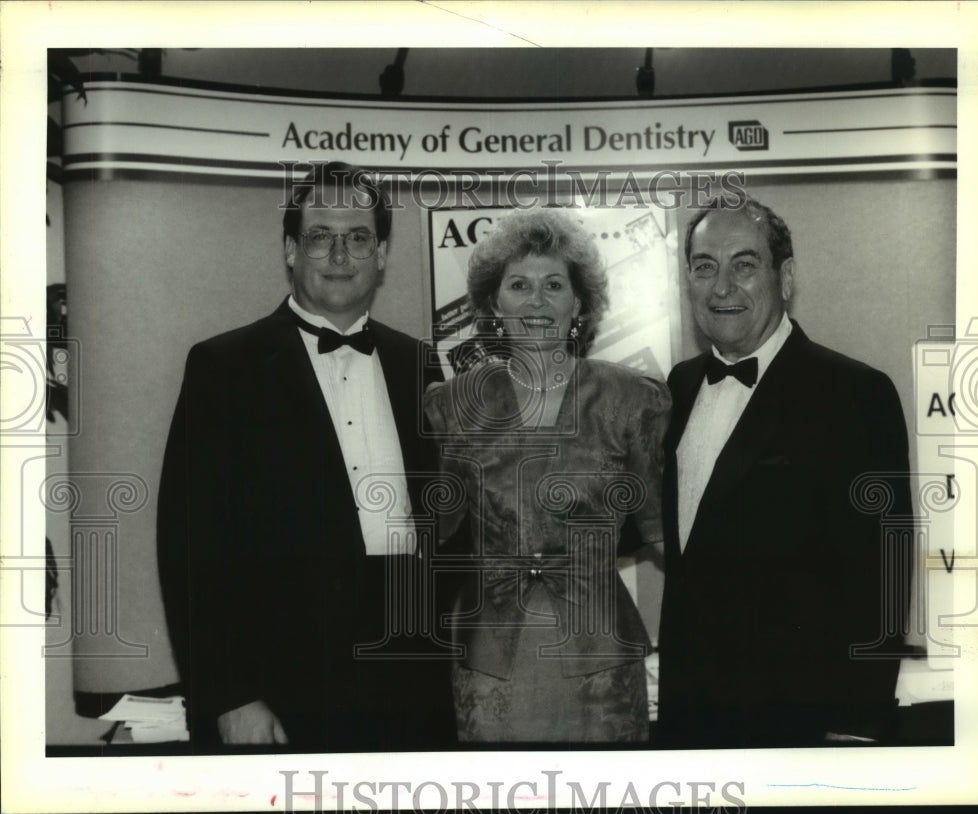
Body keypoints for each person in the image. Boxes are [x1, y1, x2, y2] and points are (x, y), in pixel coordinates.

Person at [157, 161, 454, 751]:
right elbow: (189, 545)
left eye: (359, 237)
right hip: (280, 689)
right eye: (321, 236)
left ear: (382, 254)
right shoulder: (223, 368)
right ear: (292, 250)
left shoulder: (418, 363)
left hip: (411, 683)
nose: (340, 254)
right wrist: (230, 695)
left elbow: (441, 526)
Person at [657, 197, 912, 748]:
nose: (722, 286)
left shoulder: (854, 393)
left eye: (744, 265)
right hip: (687, 720)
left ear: (786, 276)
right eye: (705, 267)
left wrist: (858, 725)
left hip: (798, 725)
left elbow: (882, 573)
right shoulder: (674, 388)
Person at [424, 209, 670, 743]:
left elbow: (664, 535)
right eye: (519, 285)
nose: (537, 301)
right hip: (489, 665)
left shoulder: (634, 399)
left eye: (553, 284)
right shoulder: (449, 405)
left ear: (578, 303)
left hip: (602, 661)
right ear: (493, 303)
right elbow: (431, 541)